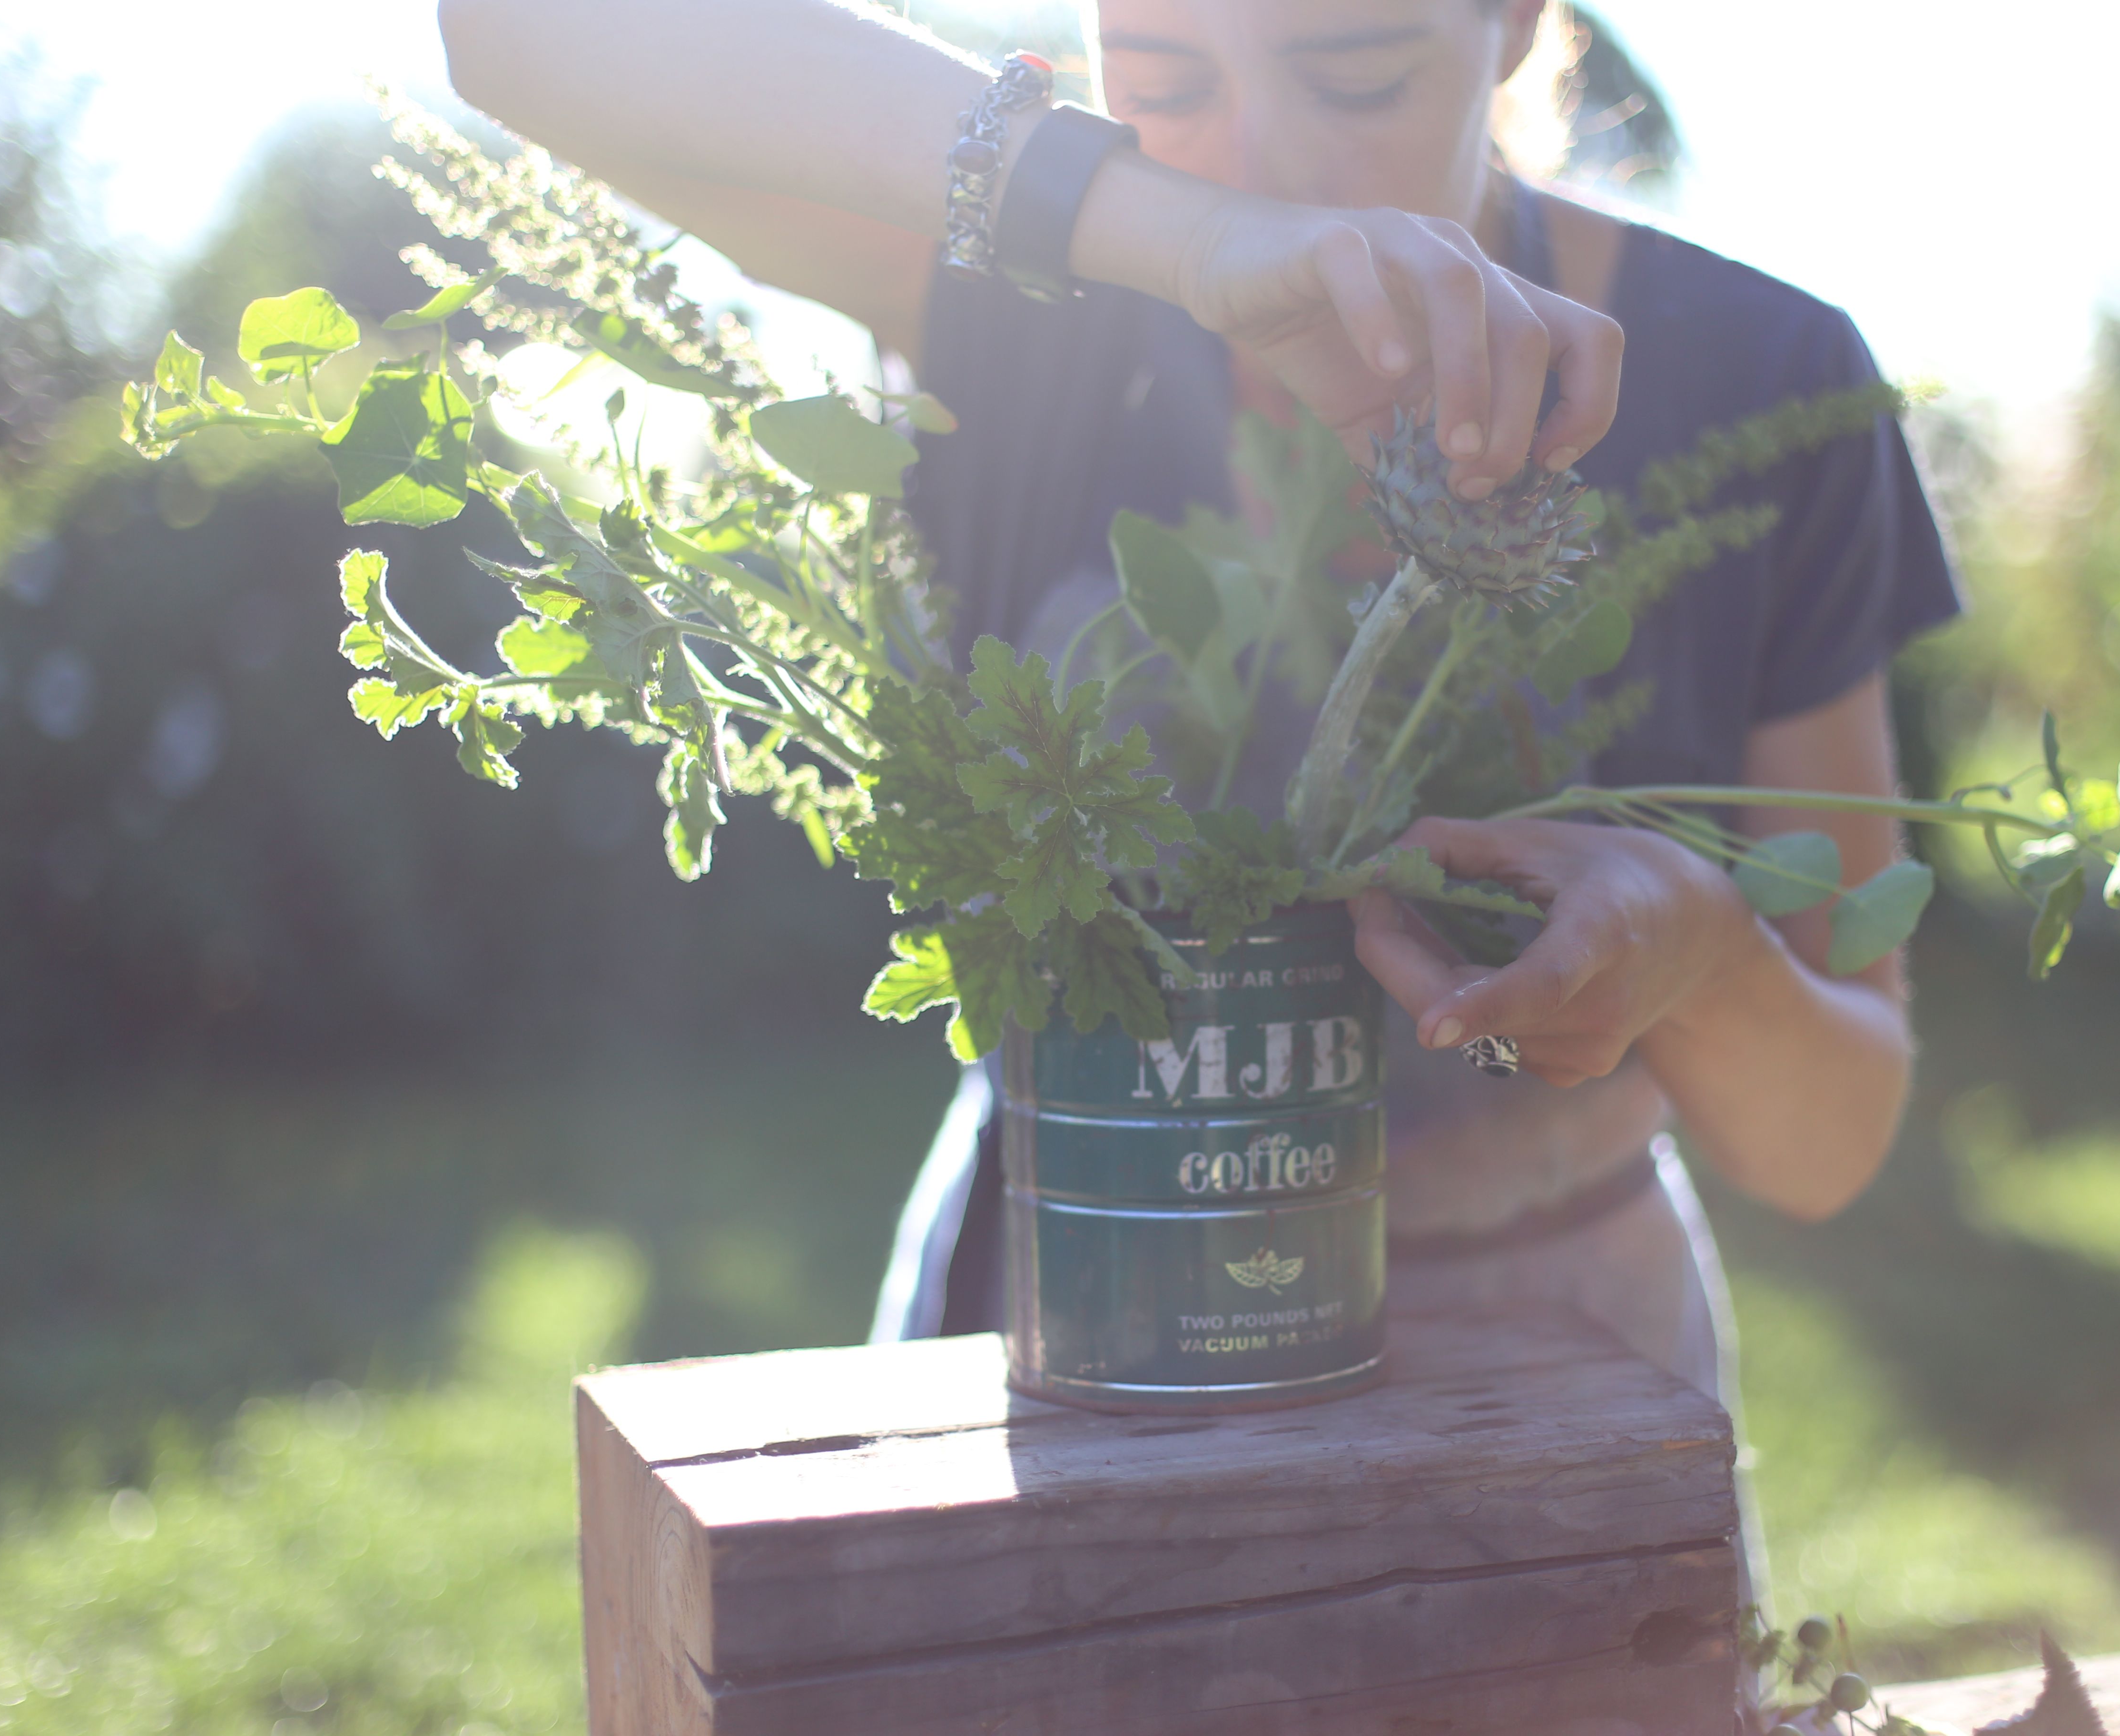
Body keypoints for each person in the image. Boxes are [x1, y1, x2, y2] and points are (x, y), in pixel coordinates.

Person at [438, 0, 1957, 1512]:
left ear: (1512, 23)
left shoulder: (1767, 380)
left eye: (1355, 72)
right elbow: (516, 33)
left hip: (1560, 1403)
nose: (1267, 165)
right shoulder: (1017, 295)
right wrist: (1159, 229)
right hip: (1069, 1350)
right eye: (1164, 80)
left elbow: (1830, 1144)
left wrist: (1701, 965)